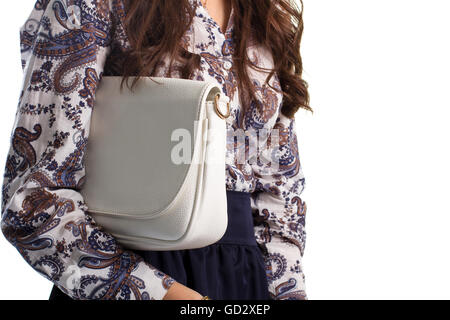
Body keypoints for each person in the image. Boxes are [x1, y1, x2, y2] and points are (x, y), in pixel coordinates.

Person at [1, 0, 310, 300]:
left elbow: (281, 200)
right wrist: (160, 294)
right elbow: (31, 201)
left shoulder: (265, 16)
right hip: (130, 269)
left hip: (244, 280)